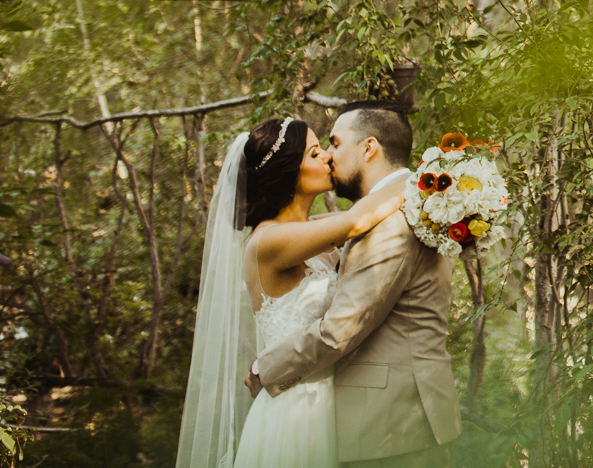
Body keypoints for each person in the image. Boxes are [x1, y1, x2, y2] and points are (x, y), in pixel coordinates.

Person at [174, 115, 401, 468]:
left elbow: (362, 216)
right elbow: (357, 221)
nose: (327, 156)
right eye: (314, 153)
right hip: (298, 412)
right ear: (289, 173)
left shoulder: (310, 227)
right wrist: (425, 181)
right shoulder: (268, 241)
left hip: (335, 402)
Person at [253, 101, 463, 468]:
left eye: (332, 144)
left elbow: (339, 330)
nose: (329, 158)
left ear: (368, 148)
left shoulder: (390, 218)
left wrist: (265, 369)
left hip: (391, 424)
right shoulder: (410, 206)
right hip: (364, 419)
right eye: (318, 151)